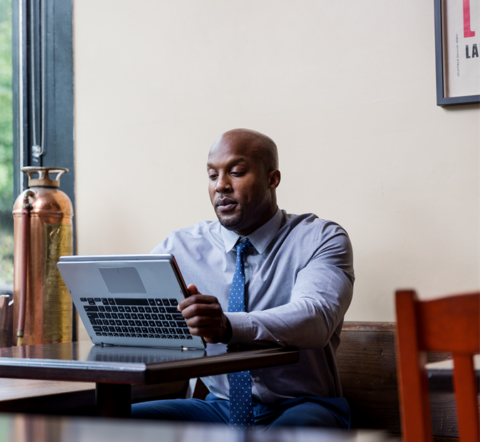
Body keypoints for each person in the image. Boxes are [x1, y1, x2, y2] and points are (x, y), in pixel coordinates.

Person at [132, 129, 354, 429]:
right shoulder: (181, 247)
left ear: (272, 179)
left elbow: (314, 319)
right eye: (212, 176)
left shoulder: (320, 238)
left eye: (236, 172)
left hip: (303, 406)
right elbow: (139, 303)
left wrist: (226, 326)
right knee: (106, 424)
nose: (221, 186)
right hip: (218, 410)